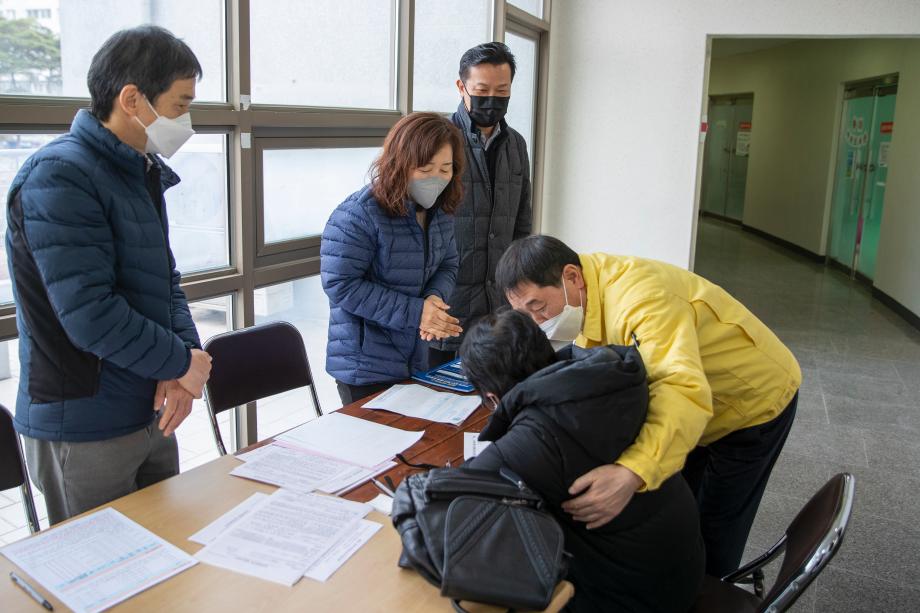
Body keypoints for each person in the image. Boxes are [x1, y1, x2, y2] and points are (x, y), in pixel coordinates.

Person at [495, 235, 802, 577]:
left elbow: (679, 390)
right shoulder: (586, 292)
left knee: (715, 526)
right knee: (679, 508)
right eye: (525, 314)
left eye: (538, 307)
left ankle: (713, 590)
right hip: (700, 403)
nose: (538, 322)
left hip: (751, 400)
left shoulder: (641, 300)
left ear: (572, 277)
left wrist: (633, 471)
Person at [5, 26, 212, 524]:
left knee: (166, 555)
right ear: (132, 99)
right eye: (180, 105)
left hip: (148, 408)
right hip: (84, 424)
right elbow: (90, 314)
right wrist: (178, 361)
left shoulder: (139, 169)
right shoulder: (59, 175)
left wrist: (186, 364)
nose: (186, 121)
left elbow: (165, 280)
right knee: (101, 567)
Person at [460, 309, 704, 612]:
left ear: (492, 398)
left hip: (636, 597)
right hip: (680, 565)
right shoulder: (606, 376)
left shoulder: (537, 437)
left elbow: (449, 502)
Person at [322, 113, 465, 405]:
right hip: (364, 367)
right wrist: (417, 313)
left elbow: (448, 264)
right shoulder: (358, 214)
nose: (437, 178)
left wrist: (434, 298)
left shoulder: (440, 211)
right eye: (425, 169)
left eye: (445, 168)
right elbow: (341, 284)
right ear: (400, 163)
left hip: (415, 357)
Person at [427, 42, 532, 369]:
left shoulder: (516, 145)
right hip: (447, 305)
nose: (492, 99)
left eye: (502, 91)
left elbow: (522, 223)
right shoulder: (439, 142)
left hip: (498, 306)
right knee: (439, 390)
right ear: (461, 87)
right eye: (482, 90)